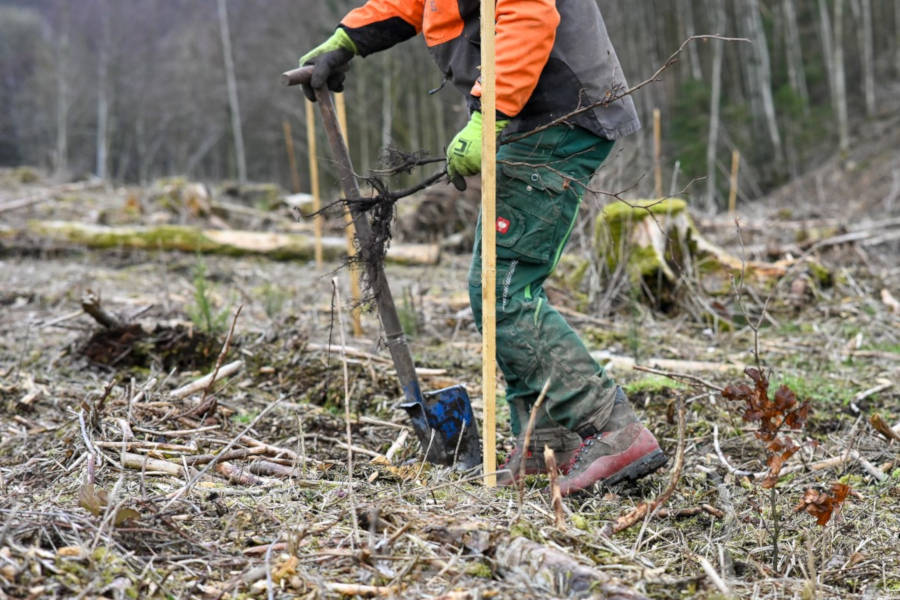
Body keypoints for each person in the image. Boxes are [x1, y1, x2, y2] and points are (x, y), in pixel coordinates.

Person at [300, 0, 666, 495]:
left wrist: (486, 112)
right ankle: (543, 442)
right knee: (505, 283)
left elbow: (528, 15)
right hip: (537, 116)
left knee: (502, 291)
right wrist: (348, 38)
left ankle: (612, 427)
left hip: (560, 112)